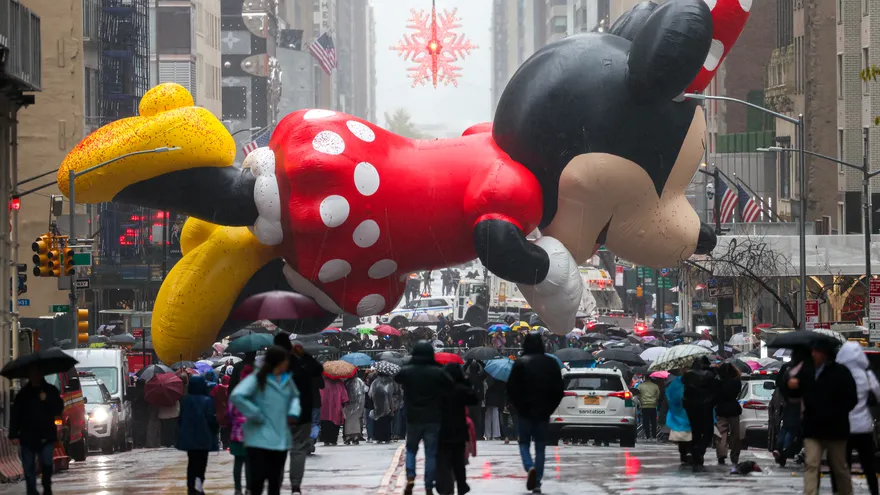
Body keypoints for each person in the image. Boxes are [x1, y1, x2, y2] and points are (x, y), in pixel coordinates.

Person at [229, 346, 301, 495]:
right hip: (258, 439)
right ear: (277, 362)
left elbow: (294, 398)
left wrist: (293, 412)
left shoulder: (287, 380)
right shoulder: (256, 379)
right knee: (257, 482)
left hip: (280, 438)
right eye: (285, 361)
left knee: (275, 482)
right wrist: (254, 413)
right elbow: (237, 396)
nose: (287, 364)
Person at [795, 339, 857, 495]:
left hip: (835, 428)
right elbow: (796, 393)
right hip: (812, 428)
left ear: (825, 354)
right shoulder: (807, 371)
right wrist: (790, 385)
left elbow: (851, 399)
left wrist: (834, 411)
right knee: (811, 464)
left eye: (817, 351)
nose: (813, 354)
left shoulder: (840, 372)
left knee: (839, 468)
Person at [506, 332, 564, 494]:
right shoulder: (551, 363)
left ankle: (529, 466)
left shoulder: (520, 363)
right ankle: (537, 480)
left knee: (523, 443)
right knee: (540, 447)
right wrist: (550, 408)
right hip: (543, 412)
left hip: (524, 412)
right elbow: (559, 390)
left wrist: (518, 406)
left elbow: (511, 388)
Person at [395, 341, 454, 495]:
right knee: (430, 452)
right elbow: (449, 384)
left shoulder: (408, 371)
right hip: (433, 418)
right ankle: (428, 484)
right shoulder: (437, 372)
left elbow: (398, 377)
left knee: (411, 450)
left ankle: (410, 476)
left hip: (413, 417)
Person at [9, 366, 64, 495]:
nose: (34, 376)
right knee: (28, 466)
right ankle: (31, 490)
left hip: (46, 434)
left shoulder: (50, 391)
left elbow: (58, 408)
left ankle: (46, 485)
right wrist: (14, 434)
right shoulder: (23, 394)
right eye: (32, 374)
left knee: (46, 462)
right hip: (27, 436)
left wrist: (47, 400)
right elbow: (15, 415)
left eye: (37, 373)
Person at [836, 342, 880, 495]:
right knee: (868, 465)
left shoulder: (840, 375)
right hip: (864, 426)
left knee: (843, 464)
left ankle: (843, 491)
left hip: (845, 426)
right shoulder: (867, 375)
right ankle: (874, 491)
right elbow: (878, 393)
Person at [283, 338, 325, 494]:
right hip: (308, 408)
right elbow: (319, 370)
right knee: (299, 448)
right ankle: (295, 485)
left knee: (280, 450)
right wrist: (306, 356)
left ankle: (276, 483)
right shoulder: (306, 369)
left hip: (284, 412)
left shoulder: (280, 368)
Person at [436, 363, 477, 495]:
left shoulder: (440, 389)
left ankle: (445, 484)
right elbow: (474, 400)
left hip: (442, 431)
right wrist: (467, 384)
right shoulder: (461, 389)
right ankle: (461, 484)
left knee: (444, 460)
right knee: (459, 461)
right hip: (459, 430)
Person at [177, 375, 219, 494]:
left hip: (190, 440)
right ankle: (198, 488)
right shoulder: (207, 401)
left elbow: (180, 420)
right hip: (204, 440)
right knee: (201, 466)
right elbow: (212, 421)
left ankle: (191, 488)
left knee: (191, 464)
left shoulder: (186, 401)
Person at [773, 347, 808, 467]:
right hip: (799, 404)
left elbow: (779, 384)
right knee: (792, 430)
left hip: (787, 402)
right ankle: (784, 450)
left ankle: (778, 447)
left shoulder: (786, 369)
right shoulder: (804, 370)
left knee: (785, 427)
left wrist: (785, 396)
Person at [681, 356, 717, 472]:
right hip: (706, 407)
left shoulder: (687, 375)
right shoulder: (710, 375)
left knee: (695, 431)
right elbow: (715, 388)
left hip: (691, 407)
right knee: (708, 431)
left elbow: (685, 387)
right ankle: (699, 451)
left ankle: (696, 451)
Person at [714, 362, 742, 465]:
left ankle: (721, 454)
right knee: (735, 434)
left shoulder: (717, 383)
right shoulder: (736, 382)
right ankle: (734, 456)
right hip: (734, 409)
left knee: (721, 434)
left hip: (721, 409)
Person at [665, 372, 692, 464]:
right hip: (688, 412)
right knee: (690, 435)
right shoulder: (695, 381)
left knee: (682, 436)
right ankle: (689, 452)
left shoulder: (676, 383)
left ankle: (684, 454)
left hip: (680, 413)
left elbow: (670, 397)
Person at [370, 366, 399, 443]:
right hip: (387, 405)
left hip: (377, 405)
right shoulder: (390, 382)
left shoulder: (375, 382)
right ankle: (386, 438)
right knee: (386, 422)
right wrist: (393, 405)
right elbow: (392, 394)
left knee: (378, 422)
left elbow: (370, 394)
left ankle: (378, 438)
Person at [319, 374, 349, 446]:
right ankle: (333, 440)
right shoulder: (339, 382)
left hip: (324, 408)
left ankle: (326, 440)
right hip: (336, 408)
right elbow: (344, 396)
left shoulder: (322, 382)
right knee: (335, 423)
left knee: (325, 423)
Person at [343, 374, 367, 444]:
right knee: (355, 421)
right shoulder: (359, 381)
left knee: (348, 421)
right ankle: (355, 436)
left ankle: (348, 436)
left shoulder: (346, 382)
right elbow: (363, 392)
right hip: (356, 404)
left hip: (348, 404)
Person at [211, 375, 231, 449]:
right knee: (228, 428)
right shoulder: (230, 388)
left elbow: (212, 397)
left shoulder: (216, 388)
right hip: (229, 411)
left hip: (219, 411)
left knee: (222, 427)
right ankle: (228, 443)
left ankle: (224, 443)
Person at [638, 376, 660, 440]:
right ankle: (654, 436)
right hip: (653, 406)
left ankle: (648, 436)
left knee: (646, 422)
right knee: (653, 422)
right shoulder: (655, 386)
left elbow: (637, 395)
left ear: (645, 378)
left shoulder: (640, 386)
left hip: (644, 406)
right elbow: (658, 395)